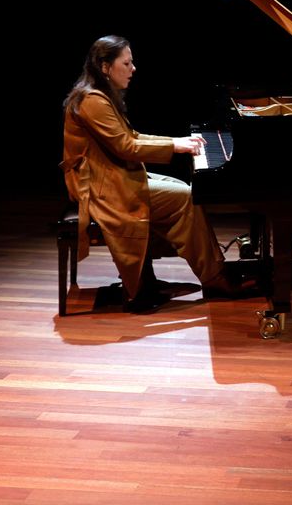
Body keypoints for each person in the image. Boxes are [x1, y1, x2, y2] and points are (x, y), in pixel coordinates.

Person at [60, 35, 253, 312]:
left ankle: (152, 278)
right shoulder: (93, 101)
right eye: (126, 63)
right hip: (101, 189)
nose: (133, 68)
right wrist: (175, 146)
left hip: (113, 177)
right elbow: (126, 146)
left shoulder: (99, 96)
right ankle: (215, 278)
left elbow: (132, 136)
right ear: (105, 67)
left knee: (179, 187)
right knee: (185, 198)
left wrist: (177, 141)